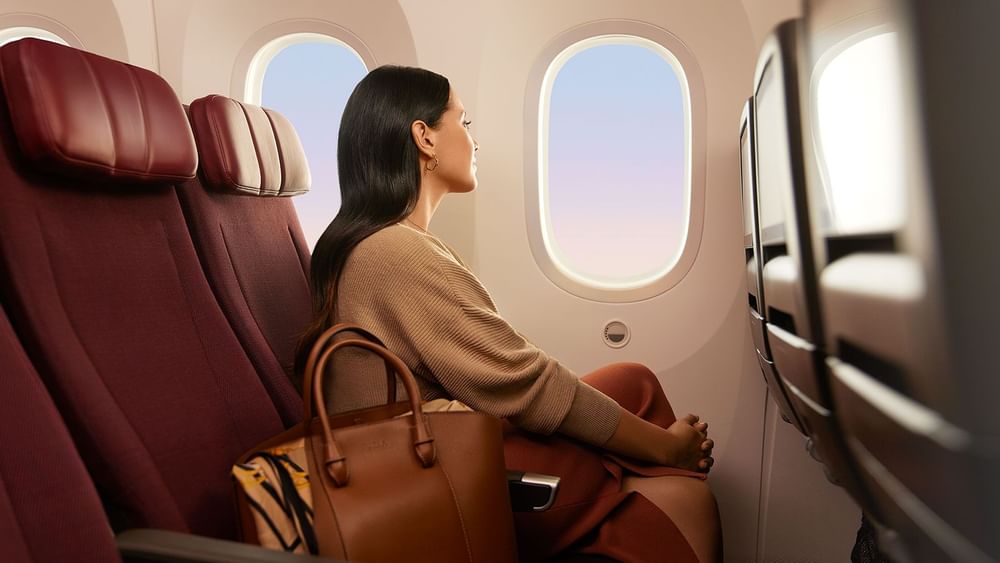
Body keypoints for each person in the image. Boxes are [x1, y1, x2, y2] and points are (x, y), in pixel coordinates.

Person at [296, 65, 721, 562]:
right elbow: (523, 382)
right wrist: (666, 450)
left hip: (436, 446)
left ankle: (643, 509)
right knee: (649, 414)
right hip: (429, 475)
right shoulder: (393, 252)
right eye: (464, 122)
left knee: (633, 382)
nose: (474, 142)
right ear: (425, 138)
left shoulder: (391, 243)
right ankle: (663, 486)